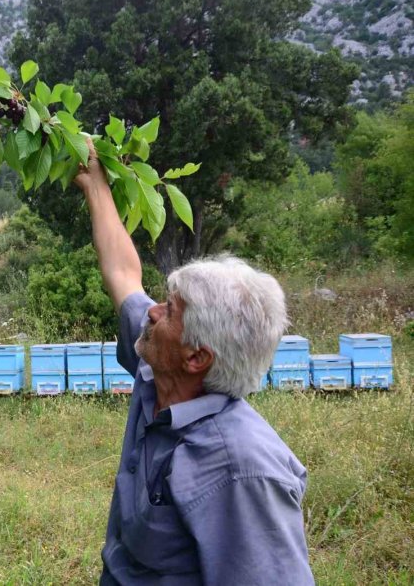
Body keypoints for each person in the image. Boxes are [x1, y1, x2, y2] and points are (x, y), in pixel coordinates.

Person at [73, 138, 315, 585]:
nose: (151, 311)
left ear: (197, 356)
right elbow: (124, 275)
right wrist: (95, 183)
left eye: (169, 309)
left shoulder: (241, 470)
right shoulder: (158, 372)